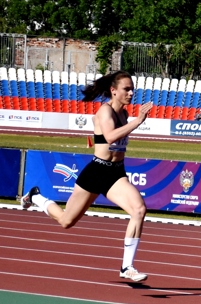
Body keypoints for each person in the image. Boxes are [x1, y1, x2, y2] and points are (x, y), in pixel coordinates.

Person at [20, 71, 154, 282]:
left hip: (116, 172)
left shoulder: (124, 115)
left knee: (139, 209)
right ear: (114, 90)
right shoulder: (105, 111)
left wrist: (129, 123)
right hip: (96, 171)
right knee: (66, 221)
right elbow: (109, 137)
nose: (131, 93)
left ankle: (126, 266)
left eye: (132, 89)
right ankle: (35, 197)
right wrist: (138, 122)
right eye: (126, 89)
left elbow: (109, 139)